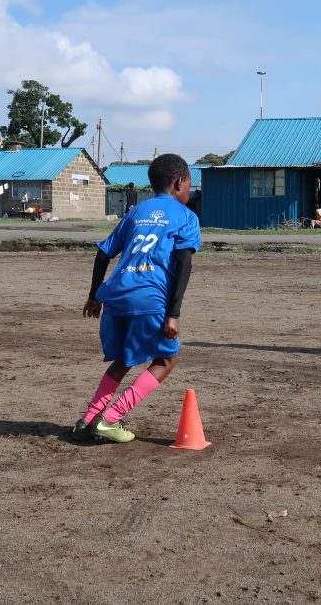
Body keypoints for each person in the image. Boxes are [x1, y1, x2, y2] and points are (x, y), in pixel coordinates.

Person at [74, 154, 201, 443]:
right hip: (149, 297)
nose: (190, 191)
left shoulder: (136, 212)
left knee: (124, 358)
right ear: (180, 182)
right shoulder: (185, 217)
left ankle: (89, 418)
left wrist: (93, 295)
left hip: (116, 295)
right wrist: (173, 313)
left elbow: (104, 252)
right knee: (167, 358)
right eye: (190, 184)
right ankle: (111, 418)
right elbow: (184, 264)